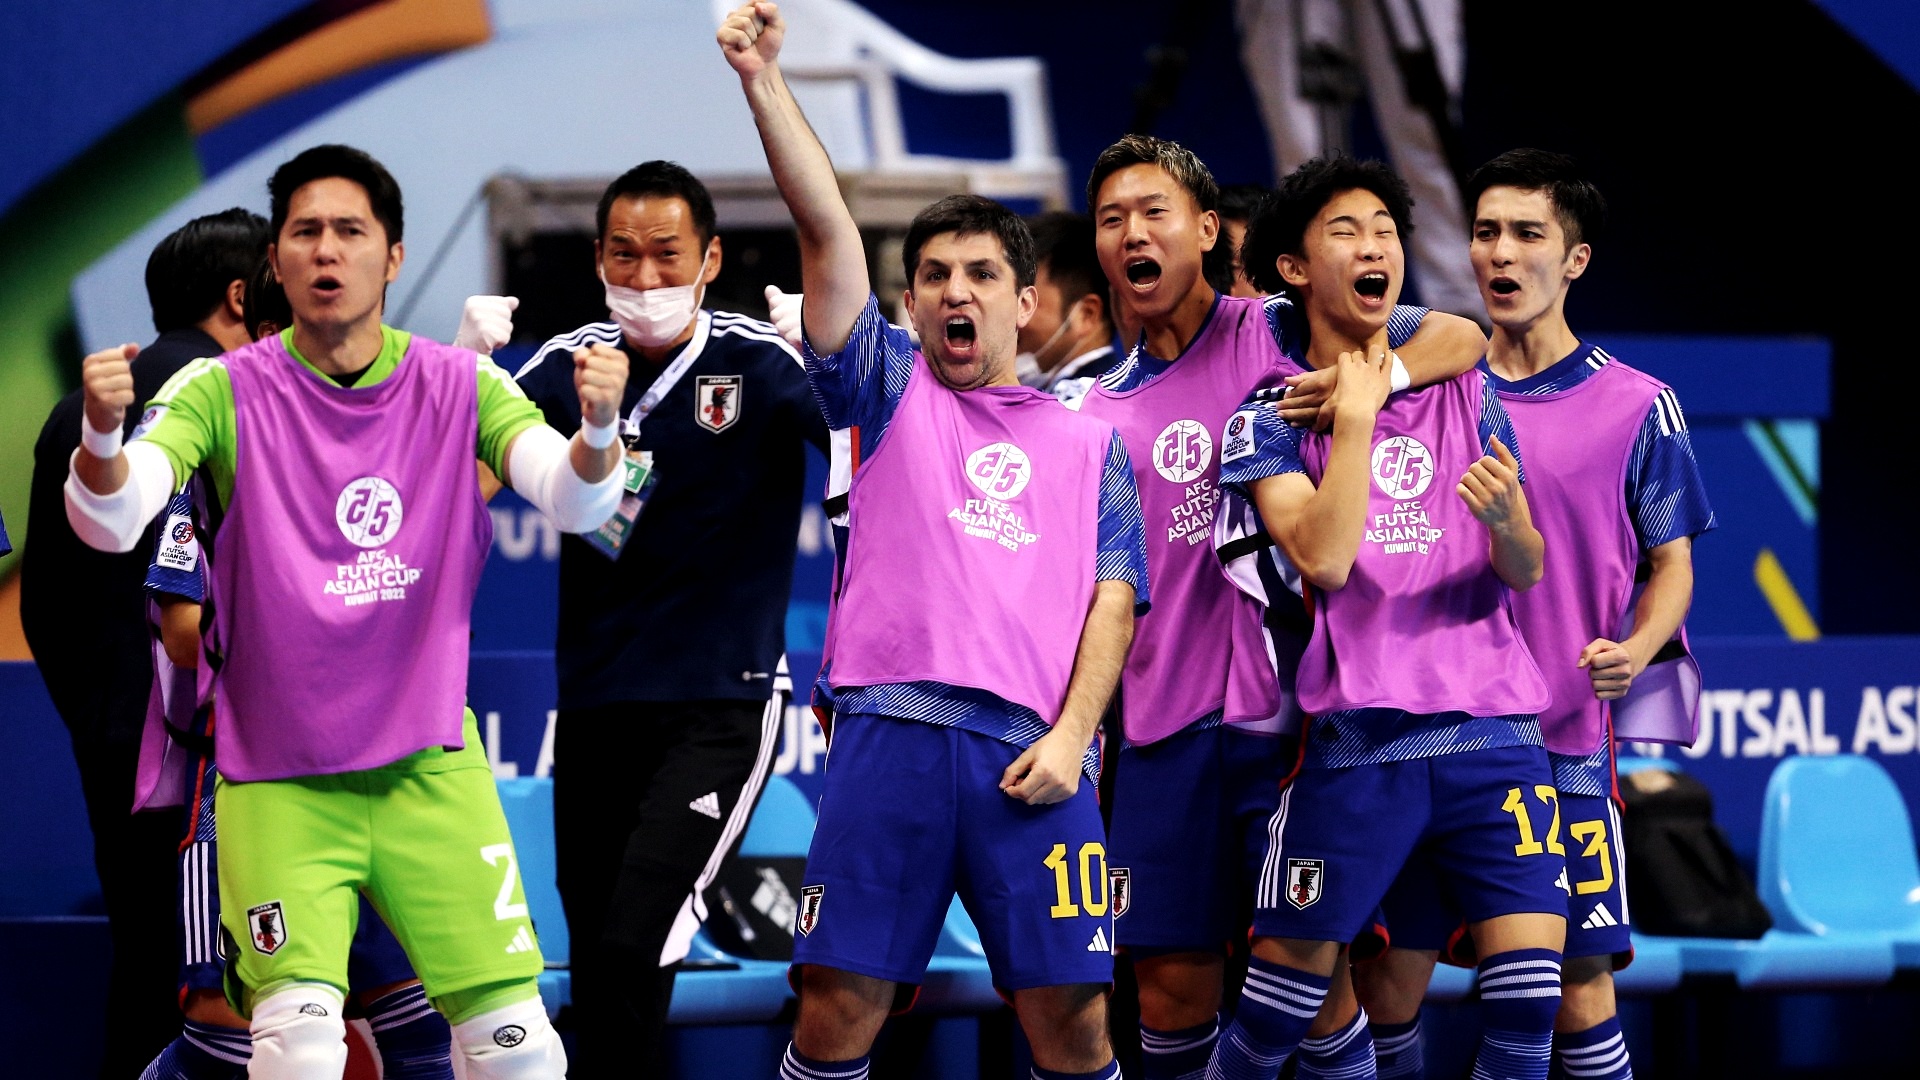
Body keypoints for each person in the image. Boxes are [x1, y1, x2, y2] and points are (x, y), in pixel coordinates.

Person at [65, 142, 625, 1079]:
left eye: (351, 231)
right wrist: (98, 437)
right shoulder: (216, 390)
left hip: (429, 773)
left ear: (392, 255)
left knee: (520, 1057)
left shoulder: (463, 384)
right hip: (279, 784)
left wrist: (599, 436)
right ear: (275, 262)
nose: (328, 251)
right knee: (297, 1054)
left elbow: (572, 500)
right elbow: (114, 517)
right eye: (306, 231)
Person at [721, 7, 1149, 1080]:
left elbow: (1113, 602)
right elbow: (825, 232)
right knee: (835, 1016)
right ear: (909, 304)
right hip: (890, 741)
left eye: (982, 274)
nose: (958, 291)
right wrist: (766, 80)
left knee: (1076, 1030)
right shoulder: (886, 386)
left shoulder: (1094, 447)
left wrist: (1073, 739)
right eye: (936, 277)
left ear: (1027, 299)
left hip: (1030, 759)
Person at [1075, 132, 1483, 1080]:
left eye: (1154, 213)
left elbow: (1458, 336)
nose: (1134, 233)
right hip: (1162, 734)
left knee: (1315, 988)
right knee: (1172, 992)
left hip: (1291, 727)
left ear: (1208, 230)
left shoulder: (1275, 329)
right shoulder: (1087, 412)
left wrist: (1367, 384)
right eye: (1112, 220)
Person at [1353, 149, 1716, 1080]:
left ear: (1576, 259)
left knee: (1577, 995)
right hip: (1429, 739)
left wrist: (1637, 650)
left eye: (1526, 234)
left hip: (1563, 746)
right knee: (1389, 985)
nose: (1500, 254)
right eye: (1484, 233)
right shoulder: (1428, 384)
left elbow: (1671, 566)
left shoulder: (1641, 406)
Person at [1213, 155, 1565, 1080]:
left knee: (1530, 1011)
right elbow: (1323, 558)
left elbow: (1522, 570)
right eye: (1346, 231)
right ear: (1292, 267)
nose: (1376, 247)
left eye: (1385, 229)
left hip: (1493, 732)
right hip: (1359, 746)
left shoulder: (1461, 383)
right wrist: (1358, 419)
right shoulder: (1267, 417)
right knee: (1268, 1028)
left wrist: (1511, 524)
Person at [502, 157, 828, 1074]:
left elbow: (879, 432)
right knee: (608, 958)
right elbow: (455, 448)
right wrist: (461, 364)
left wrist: (837, 349)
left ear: (711, 257)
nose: (643, 279)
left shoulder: (761, 364)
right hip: (599, 709)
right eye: (622, 256)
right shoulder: (563, 367)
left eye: (666, 255)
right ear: (598, 259)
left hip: (721, 708)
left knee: (631, 941)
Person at [136, 259, 456, 1080]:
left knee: (419, 1023)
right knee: (229, 1030)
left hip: (384, 778)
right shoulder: (216, 451)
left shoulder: (387, 448)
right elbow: (180, 629)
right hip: (256, 780)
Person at [22, 207, 267, 1079]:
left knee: (147, 962)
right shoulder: (247, 403)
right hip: (227, 755)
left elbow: (43, 607)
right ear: (242, 296)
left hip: (115, 744)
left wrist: (105, 717)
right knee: (246, 981)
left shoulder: (70, 420)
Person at [1015, 211, 1123, 405]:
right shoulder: (1054, 393)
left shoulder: (1086, 403)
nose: (1011, 318)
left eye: (1025, 301)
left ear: (1086, 314)